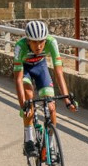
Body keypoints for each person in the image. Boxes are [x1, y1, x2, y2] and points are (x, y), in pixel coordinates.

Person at [14, 20, 73, 156]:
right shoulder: (20, 46)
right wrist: (23, 105)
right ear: (28, 41)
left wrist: (67, 100)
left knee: (51, 106)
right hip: (26, 69)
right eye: (34, 42)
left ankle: (50, 146)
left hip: (41, 68)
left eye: (41, 41)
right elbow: (18, 79)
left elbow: (59, 73)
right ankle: (29, 140)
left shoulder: (51, 42)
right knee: (29, 96)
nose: (39, 46)